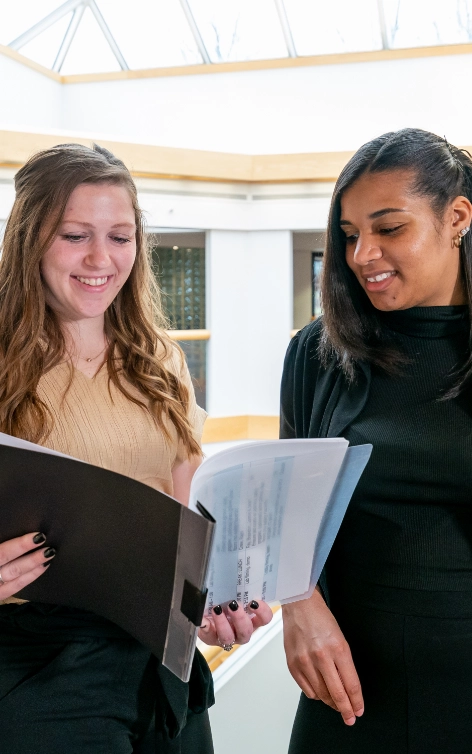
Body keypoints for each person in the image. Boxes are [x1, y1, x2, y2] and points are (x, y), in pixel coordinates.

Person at [0, 142, 272, 753]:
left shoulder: (159, 362)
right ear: (29, 242)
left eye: (120, 237)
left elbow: (192, 507)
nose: (101, 258)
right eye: (75, 235)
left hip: (164, 665)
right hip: (42, 671)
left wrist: (224, 592)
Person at [281, 128, 472, 753]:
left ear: (457, 218)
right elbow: (282, 512)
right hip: (345, 692)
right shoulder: (317, 353)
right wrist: (298, 605)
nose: (364, 254)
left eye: (389, 229)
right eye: (350, 234)